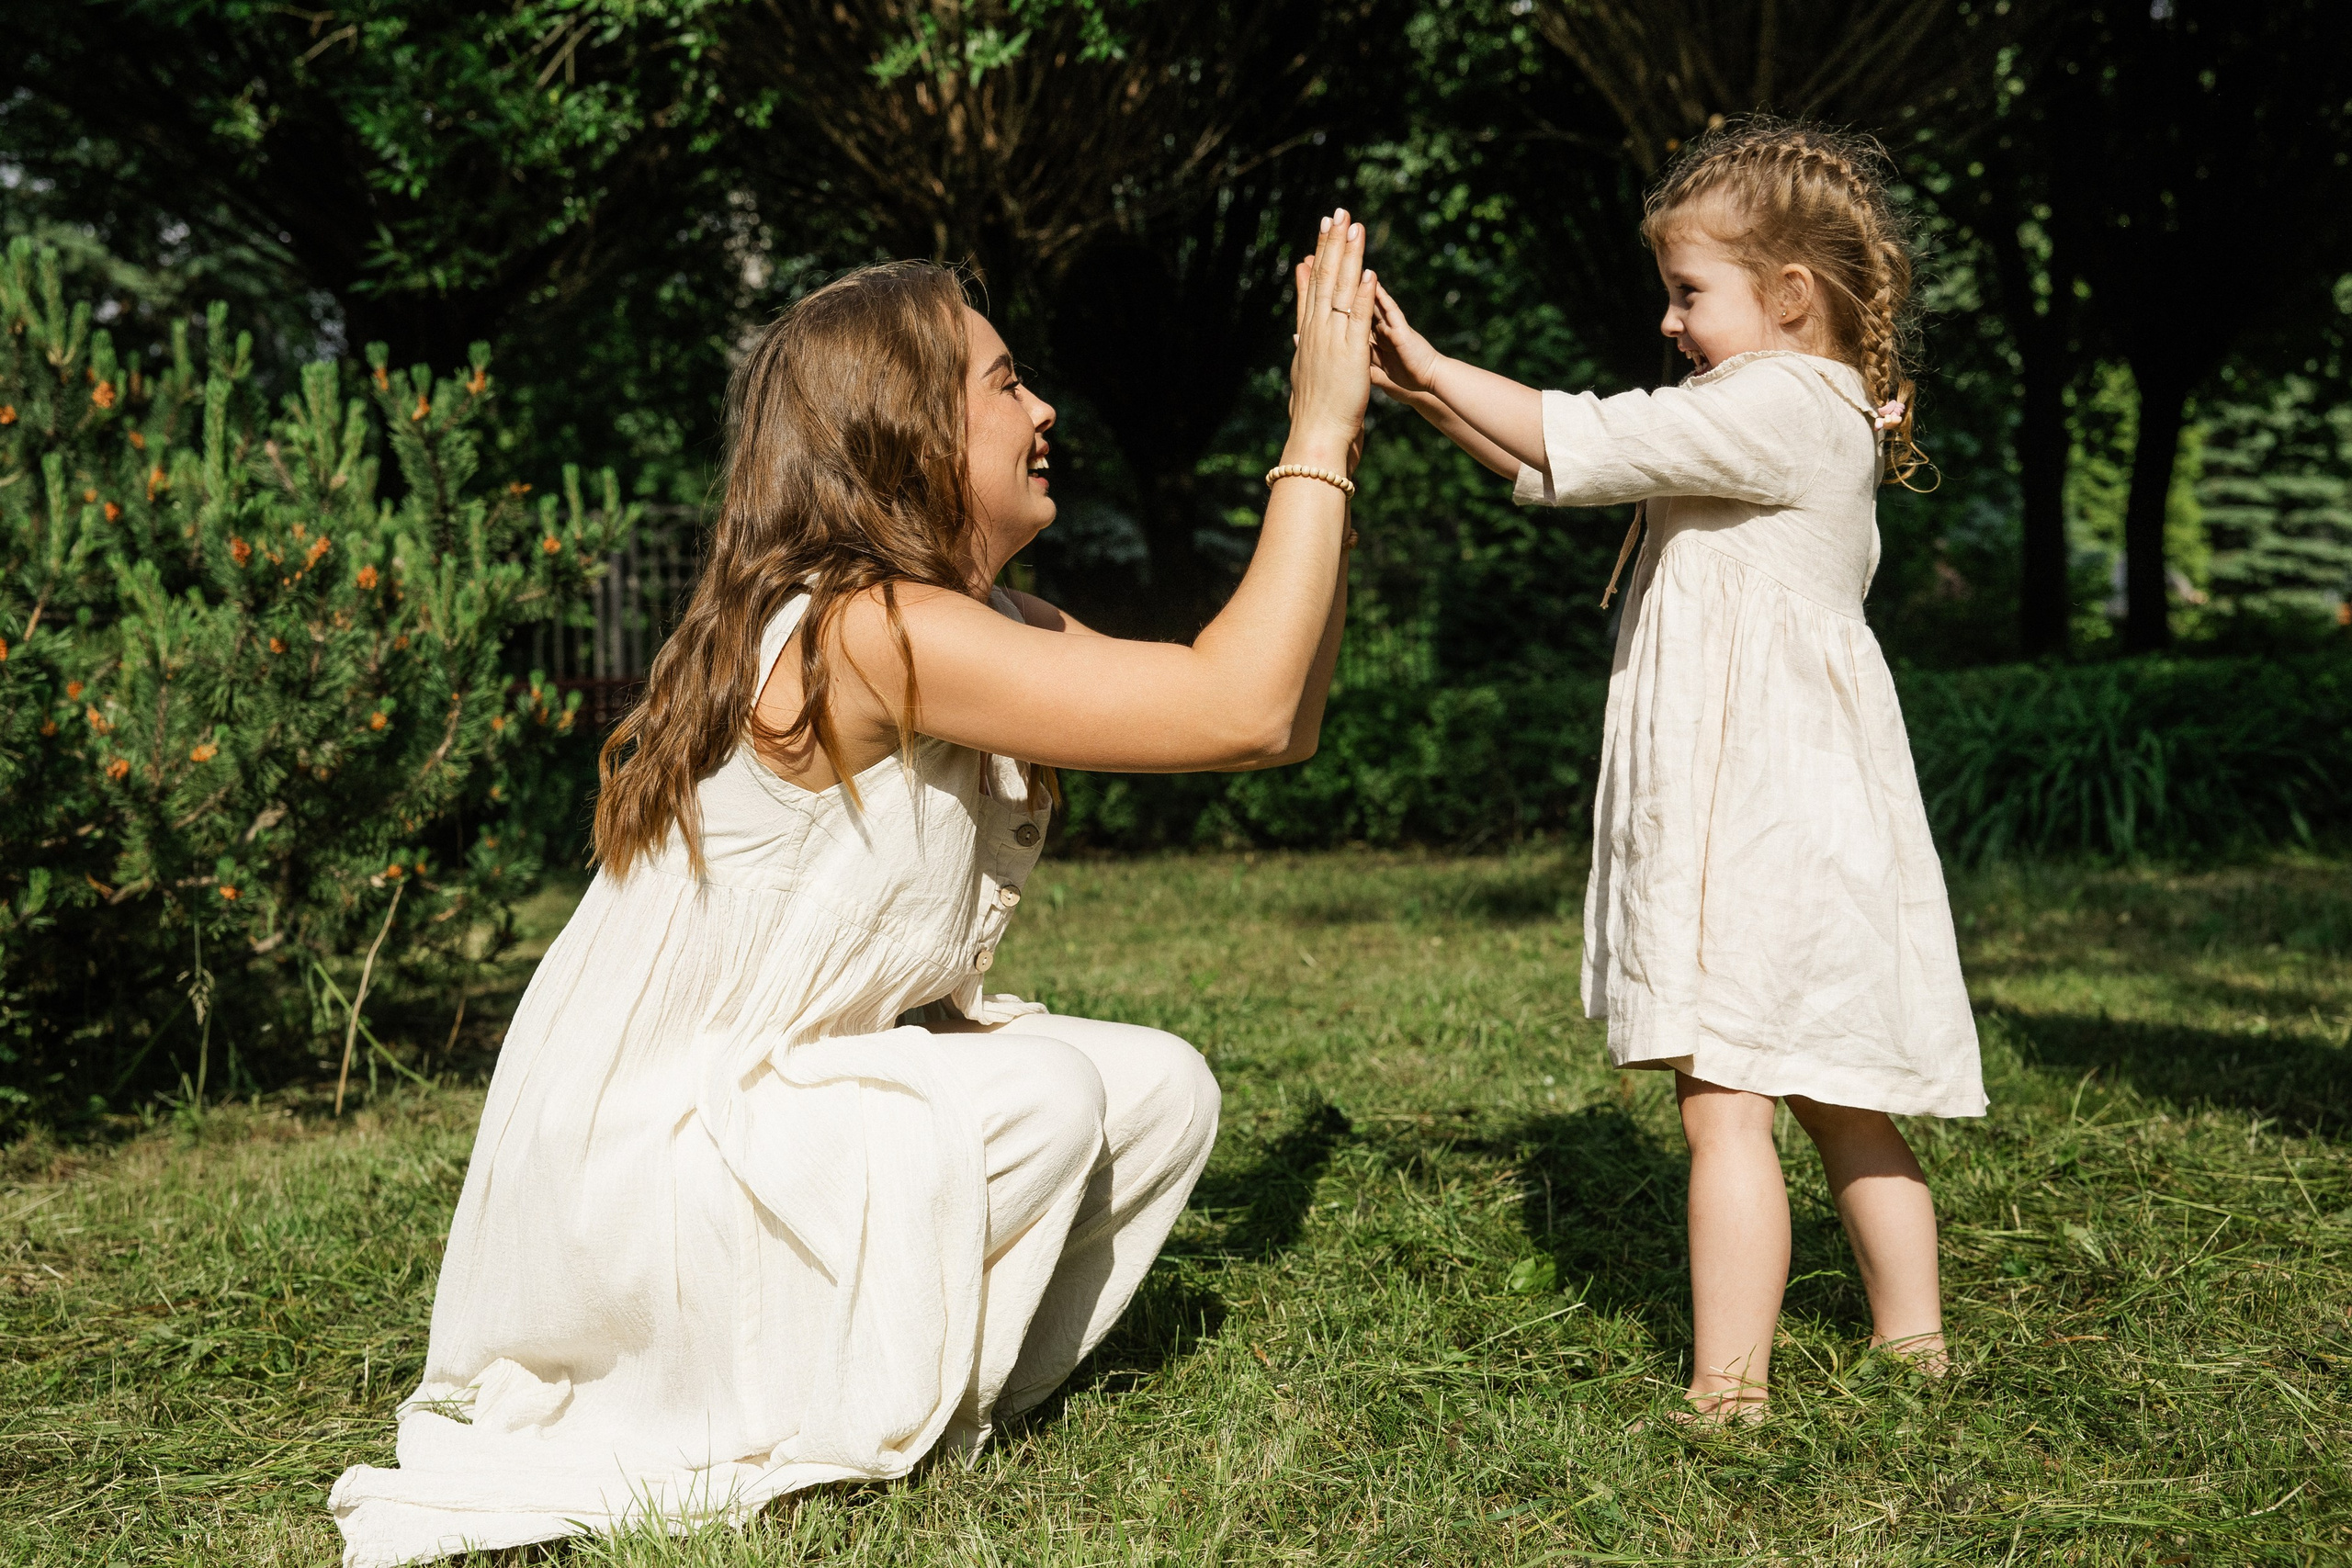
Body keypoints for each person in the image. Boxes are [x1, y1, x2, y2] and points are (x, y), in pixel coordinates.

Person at [331, 212, 1381, 1564]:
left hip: (756, 1113)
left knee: (1159, 1087)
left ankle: (935, 1405)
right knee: (1045, 1095)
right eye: (1005, 382)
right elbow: (1238, 706)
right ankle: (814, 1423)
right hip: (641, 1171)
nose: (1044, 406)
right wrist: (1319, 431)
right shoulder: (869, 626)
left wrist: (1342, 462)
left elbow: (1272, 716)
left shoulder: (963, 619)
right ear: (905, 428)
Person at [1369, 120, 1984, 1421]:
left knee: (1728, 1102)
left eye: (1690, 292)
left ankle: (1728, 1389)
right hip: (1803, 807)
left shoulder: (1776, 405)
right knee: (1839, 1093)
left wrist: (1429, 356)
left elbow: (1581, 434)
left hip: (1760, 812)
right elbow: (1567, 470)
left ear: (1791, 297)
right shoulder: (1782, 412)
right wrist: (1428, 397)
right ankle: (1916, 1347)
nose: (1666, 320)